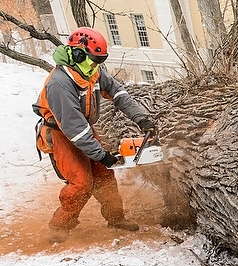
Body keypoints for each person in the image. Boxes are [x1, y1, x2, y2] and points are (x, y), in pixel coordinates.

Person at [33, 27, 156, 243]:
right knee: (81, 183)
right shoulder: (59, 83)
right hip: (62, 133)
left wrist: (141, 118)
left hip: (83, 130)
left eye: (100, 60)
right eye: (93, 59)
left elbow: (119, 94)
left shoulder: (92, 72)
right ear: (78, 54)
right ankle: (59, 227)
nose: (96, 65)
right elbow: (75, 130)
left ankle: (116, 218)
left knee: (104, 175)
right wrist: (101, 155)